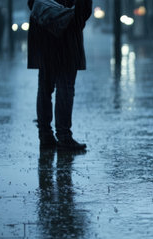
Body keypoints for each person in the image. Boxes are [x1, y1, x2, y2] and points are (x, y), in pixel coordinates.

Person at [27, 0, 92, 150]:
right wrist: (74, 20)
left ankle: (45, 135)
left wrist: (47, 17)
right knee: (65, 87)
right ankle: (64, 136)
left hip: (44, 31)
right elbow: (84, 8)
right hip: (68, 32)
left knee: (45, 87)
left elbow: (33, 3)